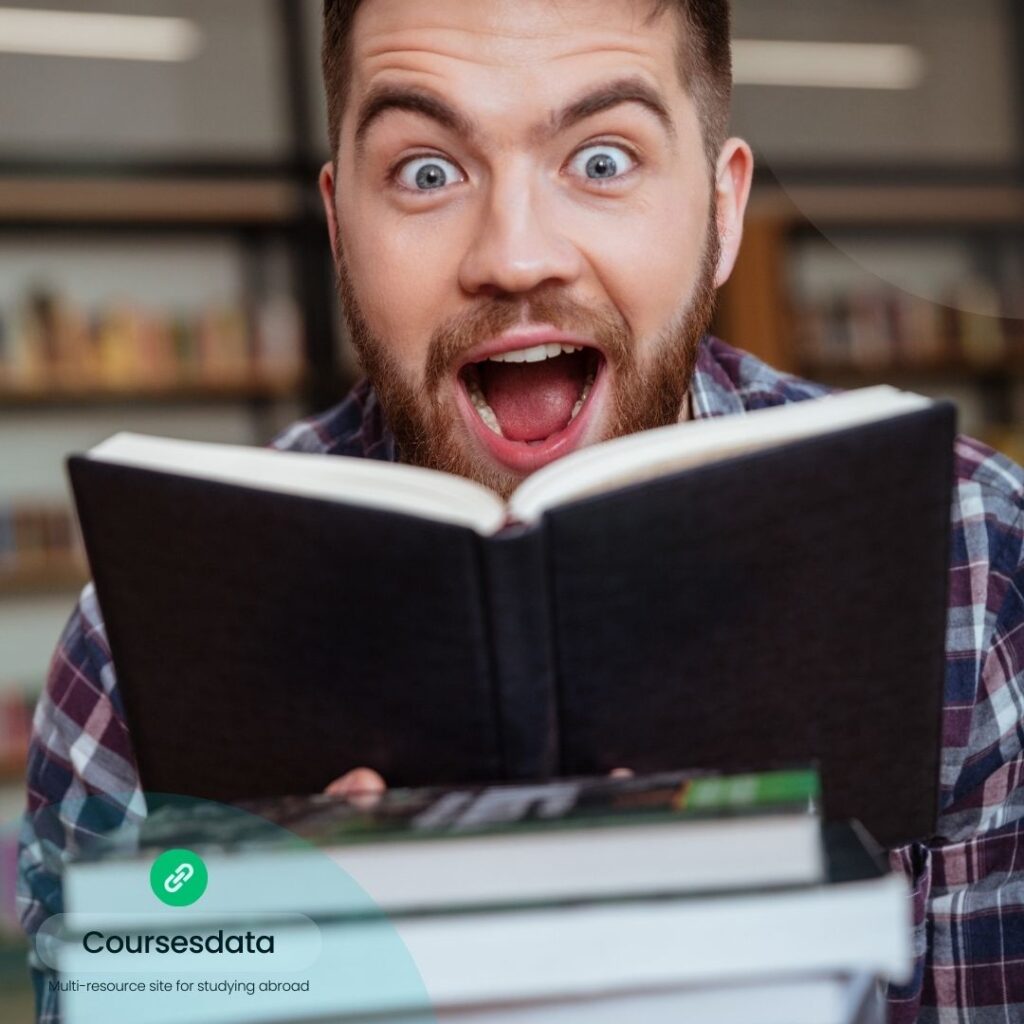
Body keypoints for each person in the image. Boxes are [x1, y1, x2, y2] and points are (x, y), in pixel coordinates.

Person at [18, 1, 1024, 1022]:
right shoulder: (140, 639)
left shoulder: (977, 555)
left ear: (722, 214)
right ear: (338, 229)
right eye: (426, 171)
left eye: (601, 160)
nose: (515, 255)